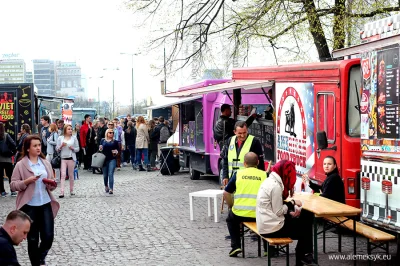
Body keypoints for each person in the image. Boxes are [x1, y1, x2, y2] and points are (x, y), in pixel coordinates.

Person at [10, 135, 59, 266]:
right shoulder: (21, 165)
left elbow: (50, 185)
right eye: (35, 146)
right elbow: (13, 185)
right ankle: (36, 263)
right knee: (32, 239)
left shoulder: (45, 163)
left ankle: (40, 257)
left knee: (48, 236)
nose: (38, 148)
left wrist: (51, 184)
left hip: (45, 203)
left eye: (39, 145)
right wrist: (26, 181)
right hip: (29, 206)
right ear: (27, 148)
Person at [256, 160, 317, 266]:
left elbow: (273, 208)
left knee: (305, 218)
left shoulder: (270, 180)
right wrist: (292, 203)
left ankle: (305, 256)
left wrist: (289, 213)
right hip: (271, 228)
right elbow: (278, 211)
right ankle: (303, 257)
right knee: (305, 227)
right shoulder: (275, 186)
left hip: (266, 222)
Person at [224, 152, 267, 257]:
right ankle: (267, 249)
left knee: (230, 220)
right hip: (259, 214)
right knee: (267, 220)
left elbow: (226, 193)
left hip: (239, 214)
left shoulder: (238, 174)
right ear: (258, 162)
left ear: (244, 163)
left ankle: (236, 246)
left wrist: (231, 205)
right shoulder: (265, 175)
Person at [222, 121, 265, 186]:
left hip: (248, 179)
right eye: (240, 133)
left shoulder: (254, 141)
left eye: (244, 132)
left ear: (247, 130)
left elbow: (260, 162)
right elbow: (225, 159)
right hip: (232, 178)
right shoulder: (230, 140)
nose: (242, 136)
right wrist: (225, 176)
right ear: (234, 132)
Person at [56, 124, 80, 198]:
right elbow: (57, 149)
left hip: (71, 158)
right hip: (63, 158)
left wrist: (73, 148)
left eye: (71, 129)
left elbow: (78, 148)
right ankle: (62, 192)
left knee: (71, 175)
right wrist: (61, 146)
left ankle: (71, 190)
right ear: (65, 130)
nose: (70, 130)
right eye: (68, 129)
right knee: (63, 175)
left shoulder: (74, 138)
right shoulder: (60, 138)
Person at [99, 129, 120, 195]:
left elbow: (118, 150)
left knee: (110, 173)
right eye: (110, 132)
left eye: (112, 133)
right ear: (106, 133)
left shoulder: (115, 142)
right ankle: (106, 186)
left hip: (112, 159)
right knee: (105, 175)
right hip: (104, 159)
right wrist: (100, 148)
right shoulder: (103, 140)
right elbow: (100, 150)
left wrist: (116, 152)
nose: (111, 134)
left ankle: (111, 188)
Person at [0, 122, 17, 197]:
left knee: (0, 176)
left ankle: (2, 192)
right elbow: (13, 145)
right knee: (10, 175)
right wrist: (11, 153)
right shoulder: (6, 135)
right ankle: (12, 190)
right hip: (7, 159)